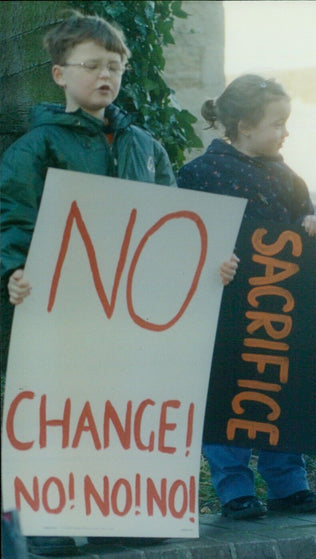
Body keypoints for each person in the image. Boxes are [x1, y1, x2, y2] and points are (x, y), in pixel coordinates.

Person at [0, 11, 206, 556]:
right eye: (91, 65)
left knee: (119, 407)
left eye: (113, 66)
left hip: (128, 313)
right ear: (60, 74)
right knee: (62, 410)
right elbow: (14, 217)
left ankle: (122, 516)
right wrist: (14, 271)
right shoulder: (35, 148)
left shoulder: (145, 146)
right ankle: (48, 523)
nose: (104, 75)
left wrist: (207, 264)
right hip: (63, 309)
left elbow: (173, 221)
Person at [176, 74, 316, 520]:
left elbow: (304, 225)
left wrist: (312, 228)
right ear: (244, 125)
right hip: (222, 310)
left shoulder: (289, 177)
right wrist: (209, 266)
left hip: (279, 309)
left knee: (281, 389)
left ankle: (289, 484)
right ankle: (234, 490)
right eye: (278, 123)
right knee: (227, 394)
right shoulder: (199, 174)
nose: (285, 132)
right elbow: (183, 239)